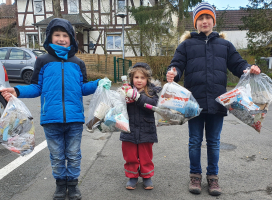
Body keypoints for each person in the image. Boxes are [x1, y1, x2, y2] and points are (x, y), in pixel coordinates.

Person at [0, 18, 110, 200]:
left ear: (72, 39)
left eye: (65, 35)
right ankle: (60, 185)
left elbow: (82, 88)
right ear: (49, 38)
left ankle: (73, 185)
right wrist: (17, 90)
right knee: (57, 156)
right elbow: (36, 87)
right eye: (56, 35)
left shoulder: (77, 63)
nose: (61, 38)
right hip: (51, 120)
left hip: (75, 120)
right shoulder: (42, 61)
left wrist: (98, 83)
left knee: (74, 155)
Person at [166, 2, 261, 196]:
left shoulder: (225, 45)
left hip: (217, 102)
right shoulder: (186, 45)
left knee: (214, 142)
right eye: (200, 18)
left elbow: (238, 64)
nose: (204, 21)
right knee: (194, 141)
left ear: (213, 21)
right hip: (193, 103)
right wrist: (172, 72)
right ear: (195, 23)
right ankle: (195, 176)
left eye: (207, 17)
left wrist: (248, 68)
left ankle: (213, 178)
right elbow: (176, 65)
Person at [120, 62, 162, 190]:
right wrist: (122, 98)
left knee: (145, 155)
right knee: (130, 154)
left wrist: (137, 97)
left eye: (142, 78)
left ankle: (147, 176)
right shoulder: (126, 90)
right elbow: (118, 108)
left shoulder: (152, 92)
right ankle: (132, 177)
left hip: (146, 129)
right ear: (131, 78)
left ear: (147, 79)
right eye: (136, 77)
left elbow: (153, 106)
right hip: (129, 129)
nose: (139, 80)